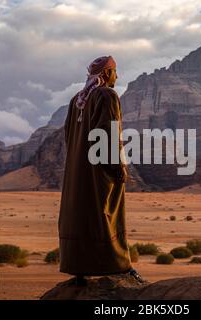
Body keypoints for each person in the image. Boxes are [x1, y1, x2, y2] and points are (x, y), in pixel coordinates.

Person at [58, 55, 145, 286]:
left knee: (81, 214)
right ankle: (118, 265)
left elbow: (69, 137)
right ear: (107, 74)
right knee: (105, 214)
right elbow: (108, 134)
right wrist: (118, 168)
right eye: (116, 71)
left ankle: (79, 266)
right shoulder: (107, 95)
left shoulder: (76, 100)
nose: (118, 76)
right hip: (99, 172)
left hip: (78, 170)